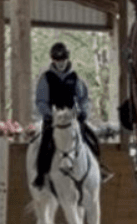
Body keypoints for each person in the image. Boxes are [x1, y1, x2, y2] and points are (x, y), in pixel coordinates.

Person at [33, 41, 111, 185]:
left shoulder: (76, 79)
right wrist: (48, 114)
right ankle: (41, 174)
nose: (61, 63)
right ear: (53, 60)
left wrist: (83, 112)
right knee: (45, 143)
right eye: (57, 60)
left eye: (63, 60)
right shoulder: (46, 79)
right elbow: (41, 101)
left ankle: (98, 168)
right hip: (53, 118)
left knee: (91, 138)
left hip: (72, 119)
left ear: (67, 59)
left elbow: (84, 99)